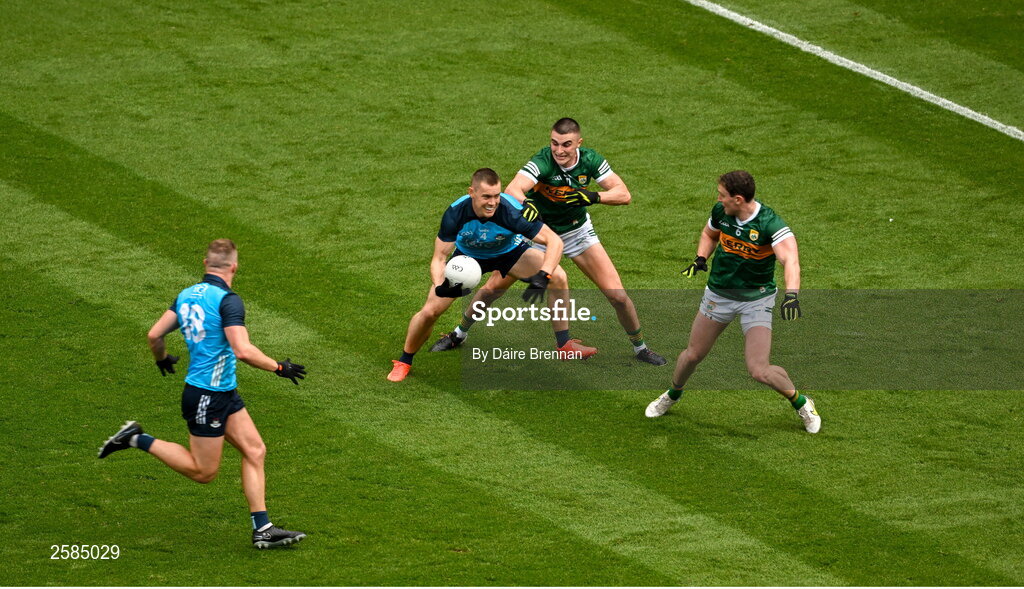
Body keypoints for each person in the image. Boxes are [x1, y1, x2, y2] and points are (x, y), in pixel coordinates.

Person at [98, 239, 310, 548]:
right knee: (203, 472)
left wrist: (162, 358)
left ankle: (262, 529)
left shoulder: (185, 295)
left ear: (204, 263)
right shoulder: (228, 300)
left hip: (223, 393)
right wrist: (279, 367)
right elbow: (243, 351)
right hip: (205, 398)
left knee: (255, 451)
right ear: (234, 267)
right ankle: (134, 438)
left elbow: (155, 334)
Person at [432, 118, 665, 366]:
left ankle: (640, 348)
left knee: (617, 296)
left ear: (579, 143)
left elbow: (624, 194)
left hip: (578, 233)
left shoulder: (591, 160)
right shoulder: (543, 161)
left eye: (566, 144)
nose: (559, 150)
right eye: (554, 143)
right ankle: (459, 334)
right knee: (492, 291)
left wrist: (594, 196)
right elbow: (513, 189)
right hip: (538, 236)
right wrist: (527, 203)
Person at [644, 171, 821, 433]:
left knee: (759, 370)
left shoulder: (769, 224)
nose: (718, 199)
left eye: (722, 195)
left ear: (738, 199)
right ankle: (672, 394)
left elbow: (790, 260)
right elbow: (709, 234)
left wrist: (791, 295)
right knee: (692, 355)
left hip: (756, 299)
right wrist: (701, 258)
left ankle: (803, 403)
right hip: (719, 295)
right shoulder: (721, 212)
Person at [388, 168, 597, 382]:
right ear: (472, 192)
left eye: (496, 196)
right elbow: (439, 258)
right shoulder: (456, 212)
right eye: (486, 196)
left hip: (509, 253)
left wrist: (544, 274)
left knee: (558, 277)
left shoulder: (511, 211)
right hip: (467, 259)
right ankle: (404, 361)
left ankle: (564, 344)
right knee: (430, 311)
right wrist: (440, 284)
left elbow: (554, 241)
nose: (492, 202)